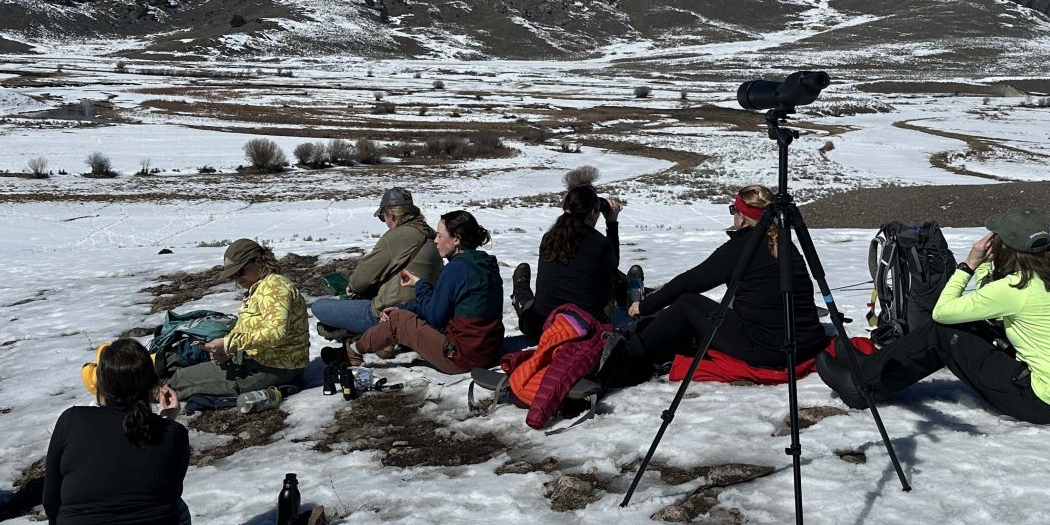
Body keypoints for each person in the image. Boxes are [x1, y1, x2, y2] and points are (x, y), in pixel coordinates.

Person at [0, 337, 195, 525]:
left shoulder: (72, 421)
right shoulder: (173, 434)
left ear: (100, 385)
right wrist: (167, 421)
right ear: (153, 386)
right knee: (177, 506)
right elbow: (167, 491)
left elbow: (52, 502)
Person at [621, 186, 824, 370]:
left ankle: (628, 354)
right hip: (806, 343)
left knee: (687, 304)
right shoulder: (785, 244)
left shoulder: (743, 247)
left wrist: (645, 306)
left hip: (771, 349)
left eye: (733, 211)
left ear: (742, 217)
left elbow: (690, 282)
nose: (733, 216)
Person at [930, 207, 1050, 424]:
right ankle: (878, 373)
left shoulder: (1013, 288)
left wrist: (969, 265)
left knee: (941, 331)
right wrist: (986, 266)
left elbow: (941, 312)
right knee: (978, 324)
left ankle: (875, 381)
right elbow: (989, 303)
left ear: (1005, 246)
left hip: (1045, 403)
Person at [330, 211, 503, 374]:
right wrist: (407, 305)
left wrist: (418, 289)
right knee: (403, 315)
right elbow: (443, 307)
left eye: (440, 235)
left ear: (456, 239)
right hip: (488, 352)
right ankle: (382, 341)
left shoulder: (457, 269)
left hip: (461, 358)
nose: (435, 240)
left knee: (398, 321)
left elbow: (436, 316)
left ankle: (351, 351)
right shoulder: (484, 264)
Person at [167, 238, 310, 402]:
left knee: (179, 381)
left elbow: (275, 332)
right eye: (232, 276)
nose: (237, 279)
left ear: (259, 261)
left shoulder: (274, 287)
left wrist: (228, 344)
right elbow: (245, 327)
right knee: (180, 367)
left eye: (240, 272)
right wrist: (227, 351)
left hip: (273, 368)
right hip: (259, 361)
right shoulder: (259, 287)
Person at [310, 187, 441, 340]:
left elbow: (363, 277)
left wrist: (352, 287)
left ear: (391, 215)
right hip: (424, 310)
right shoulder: (429, 234)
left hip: (389, 313)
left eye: (382, 216)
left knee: (319, 307)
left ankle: (366, 335)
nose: (385, 222)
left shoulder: (397, 236)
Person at [511, 180, 625, 336]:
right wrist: (612, 223)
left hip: (542, 326)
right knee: (611, 275)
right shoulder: (600, 244)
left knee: (527, 301)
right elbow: (613, 264)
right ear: (592, 214)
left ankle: (520, 285)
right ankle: (632, 291)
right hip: (587, 328)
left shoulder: (550, 237)